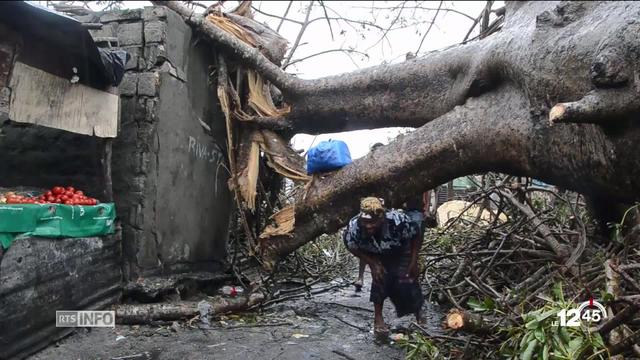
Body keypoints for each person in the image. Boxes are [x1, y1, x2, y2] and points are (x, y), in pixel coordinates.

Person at [343, 197, 425, 336]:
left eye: (373, 222)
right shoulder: (355, 225)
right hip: (374, 251)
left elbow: (416, 236)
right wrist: (372, 263)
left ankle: (418, 314)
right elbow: (351, 245)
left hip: (399, 248)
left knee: (407, 280)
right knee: (380, 278)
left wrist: (413, 262)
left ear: (381, 218)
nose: (368, 226)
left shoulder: (398, 220)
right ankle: (378, 319)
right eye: (366, 222)